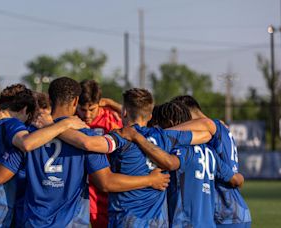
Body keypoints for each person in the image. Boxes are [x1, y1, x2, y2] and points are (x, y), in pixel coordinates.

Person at [0, 77, 171, 228]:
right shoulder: (85, 136)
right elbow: (105, 182)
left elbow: (0, 175)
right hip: (72, 222)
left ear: (50, 98)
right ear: (76, 102)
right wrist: (149, 180)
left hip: (33, 221)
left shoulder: (30, 133)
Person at [123, 101, 244, 228]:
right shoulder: (210, 152)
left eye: (158, 128)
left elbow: (169, 163)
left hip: (183, 223)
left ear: (169, 124)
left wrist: (139, 139)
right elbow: (236, 179)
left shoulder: (178, 150)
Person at [104, 88, 214, 227]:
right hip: (165, 222)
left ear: (124, 112)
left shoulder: (120, 138)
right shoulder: (169, 137)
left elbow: (106, 182)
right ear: (150, 116)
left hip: (130, 218)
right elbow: (208, 131)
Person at [171, 95, 252, 228]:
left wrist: (157, 133)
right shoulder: (220, 128)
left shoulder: (212, 126)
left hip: (225, 211)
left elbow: (206, 123)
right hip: (235, 209)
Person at [77, 79, 123, 227]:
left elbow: (141, 115)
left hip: (105, 184)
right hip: (81, 184)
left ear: (100, 104)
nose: (87, 115)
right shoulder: (71, 120)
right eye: (82, 110)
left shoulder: (112, 120)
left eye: (92, 109)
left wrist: (113, 104)